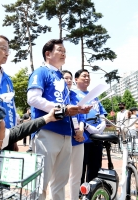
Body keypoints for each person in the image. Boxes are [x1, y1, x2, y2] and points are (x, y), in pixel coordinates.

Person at [27, 39, 91, 200]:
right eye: (60, 50)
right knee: (41, 183)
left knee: (60, 183)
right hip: (47, 131)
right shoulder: (41, 72)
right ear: (48, 54)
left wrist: (79, 110)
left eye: (65, 51)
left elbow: (66, 106)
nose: (64, 53)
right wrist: (62, 109)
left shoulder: (61, 78)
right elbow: (33, 99)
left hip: (66, 134)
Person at [73, 69, 107, 185]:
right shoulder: (74, 94)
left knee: (95, 166)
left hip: (97, 137)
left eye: (88, 76)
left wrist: (102, 123)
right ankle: (79, 193)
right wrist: (87, 126)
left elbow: (101, 112)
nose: (87, 78)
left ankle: (92, 191)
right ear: (76, 79)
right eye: (84, 76)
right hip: (83, 138)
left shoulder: (95, 96)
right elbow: (74, 115)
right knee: (80, 168)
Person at [62, 70, 87, 200]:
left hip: (78, 139)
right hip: (63, 138)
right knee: (60, 176)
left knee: (76, 174)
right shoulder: (58, 96)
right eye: (66, 78)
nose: (69, 80)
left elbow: (81, 117)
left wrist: (81, 130)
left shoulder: (76, 96)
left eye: (70, 78)